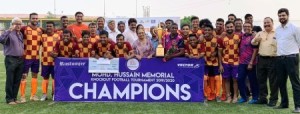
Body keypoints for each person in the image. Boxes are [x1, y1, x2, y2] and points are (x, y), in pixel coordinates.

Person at [274, 8, 300, 113]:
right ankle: (284, 104)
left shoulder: (295, 28)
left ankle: (298, 106)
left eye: (283, 15)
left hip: (292, 58)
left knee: (295, 83)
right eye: (280, 16)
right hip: (280, 58)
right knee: (281, 82)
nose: (281, 17)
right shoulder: (277, 29)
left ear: (288, 15)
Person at [251, 17, 278, 107]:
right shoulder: (260, 33)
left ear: (272, 23)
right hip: (261, 59)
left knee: (273, 81)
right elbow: (252, 43)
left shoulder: (277, 33)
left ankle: (273, 100)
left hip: (273, 59)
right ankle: (263, 98)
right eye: (265, 23)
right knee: (261, 80)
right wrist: (255, 40)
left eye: (268, 22)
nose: (266, 24)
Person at [20, 13, 43, 102]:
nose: (35, 20)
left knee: (34, 76)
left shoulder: (40, 30)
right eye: (33, 18)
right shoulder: (24, 29)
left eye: (36, 18)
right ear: (30, 19)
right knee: (24, 76)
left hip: (36, 57)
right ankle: (22, 96)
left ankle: (33, 95)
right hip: (26, 57)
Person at [0, 17, 24, 105]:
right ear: (12, 24)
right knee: (10, 79)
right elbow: (1, 40)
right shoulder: (8, 33)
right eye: (16, 23)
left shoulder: (20, 34)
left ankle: (14, 98)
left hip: (20, 59)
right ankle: (9, 99)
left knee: (17, 80)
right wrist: (9, 30)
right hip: (11, 59)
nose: (18, 25)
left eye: (19, 24)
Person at [218, 21, 240, 103]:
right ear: (225, 28)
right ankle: (228, 97)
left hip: (236, 62)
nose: (229, 28)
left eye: (231, 27)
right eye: (228, 27)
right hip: (225, 62)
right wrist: (220, 64)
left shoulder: (239, 37)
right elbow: (219, 52)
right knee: (226, 79)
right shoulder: (221, 39)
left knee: (235, 80)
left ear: (234, 27)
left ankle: (235, 96)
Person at [237, 22, 259, 104]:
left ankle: (255, 98)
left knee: (252, 80)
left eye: (248, 26)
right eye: (245, 26)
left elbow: (255, 50)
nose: (246, 28)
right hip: (242, 62)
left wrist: (251, 62)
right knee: (240, 79)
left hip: (251, 63)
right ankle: (244, 97)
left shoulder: (253, 37)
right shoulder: (241, 36)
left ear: (251, 27)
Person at [40, 21, 60, 101]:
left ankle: (54, 94)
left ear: (54, 27)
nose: (48, 27)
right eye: (47, 26)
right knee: (45, 78)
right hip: (45, 60)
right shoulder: (42, 36)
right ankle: (44, 94)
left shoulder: (58, 36)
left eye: (50, 26)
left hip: (55, 61)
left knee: (55, 78)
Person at [202, 24, 222, 102]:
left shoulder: (217, 39)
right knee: (205, 78)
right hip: (205, 63)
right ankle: (206, 95)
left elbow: (220, 53)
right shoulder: (201, 39)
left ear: (212, 31)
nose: (207, 31)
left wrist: (220, 65)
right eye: (205, 30)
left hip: (215, 62)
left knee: (217, 78)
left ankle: (217, 95)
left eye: (209, 30)